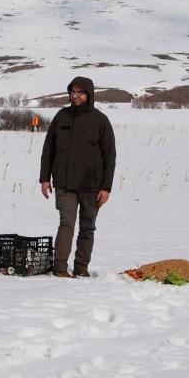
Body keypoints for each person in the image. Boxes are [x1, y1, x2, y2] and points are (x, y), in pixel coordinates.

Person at [39, 76, 116, 277]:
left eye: (80, 92)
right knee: (66, 224)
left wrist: (106, 187)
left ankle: (81, 268)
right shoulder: (61, 116)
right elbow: (49, 149)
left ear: (89, 94)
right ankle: (60, 268)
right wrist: (44, 178)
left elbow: (110, 156)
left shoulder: (100, 120)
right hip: (64, 183)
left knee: (87, 228)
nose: (75, 95)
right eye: (73, 91)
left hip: (92, 185)